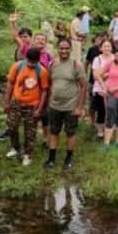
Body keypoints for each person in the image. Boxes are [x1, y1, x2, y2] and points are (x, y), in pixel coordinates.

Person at [44, 37, 87, 171]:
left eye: (66, 48)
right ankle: (51, 159)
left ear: (70, 49)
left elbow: (84, 87)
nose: (64, 51)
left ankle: (68, 160)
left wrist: (80, 107)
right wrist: (48, 103)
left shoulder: (76, 65)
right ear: (58, 49)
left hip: (71, 106)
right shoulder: (52, 64)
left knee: (70, 133)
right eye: (61, 48)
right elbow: (50, 84)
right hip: (55, 106)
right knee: (54, 132)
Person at [3, 46, 50, 167]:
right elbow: (10, 84)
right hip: (16, 103)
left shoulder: (42, 71)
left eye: (35, 62)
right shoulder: (17, 66)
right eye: (30, 62)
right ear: (26, 58)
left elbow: (45, 90)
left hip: (32, 106)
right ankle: (15, 148)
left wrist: (40, 109)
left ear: (38, 60)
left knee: (30, 132)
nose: (32, 64)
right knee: (12, 127)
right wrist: (7, 102)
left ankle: (28, 155)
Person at [87, 36, 114, 142]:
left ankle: (108, 130)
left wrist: (102, 74)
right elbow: (95, 76)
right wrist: (109, 73)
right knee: (101, 111)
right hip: (99, 89)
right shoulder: (97, 59)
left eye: (109, 46)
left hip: (113, 88)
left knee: (111, 110)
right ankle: (100, 131)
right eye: (105, 46)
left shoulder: (115, 59)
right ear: (100, 48)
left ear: (112, 48)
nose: (107, 48)